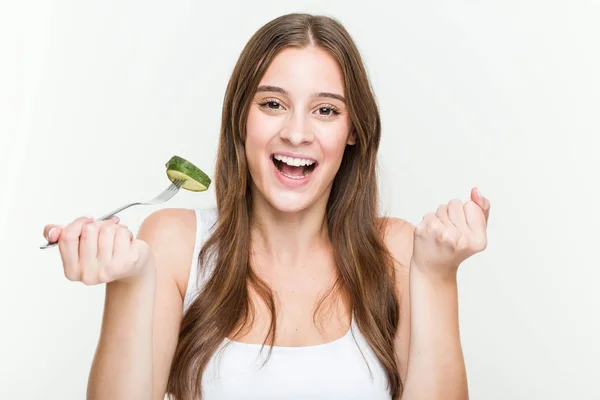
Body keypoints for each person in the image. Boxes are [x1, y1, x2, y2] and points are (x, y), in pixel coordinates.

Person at [42, 13, 490, 400]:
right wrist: (129, 282)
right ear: (241, 117)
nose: (296, 133)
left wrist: (436, 276)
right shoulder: (173, 243)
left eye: (326, 111)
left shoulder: (397, 249)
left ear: (353, 131)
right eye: (273, 104)